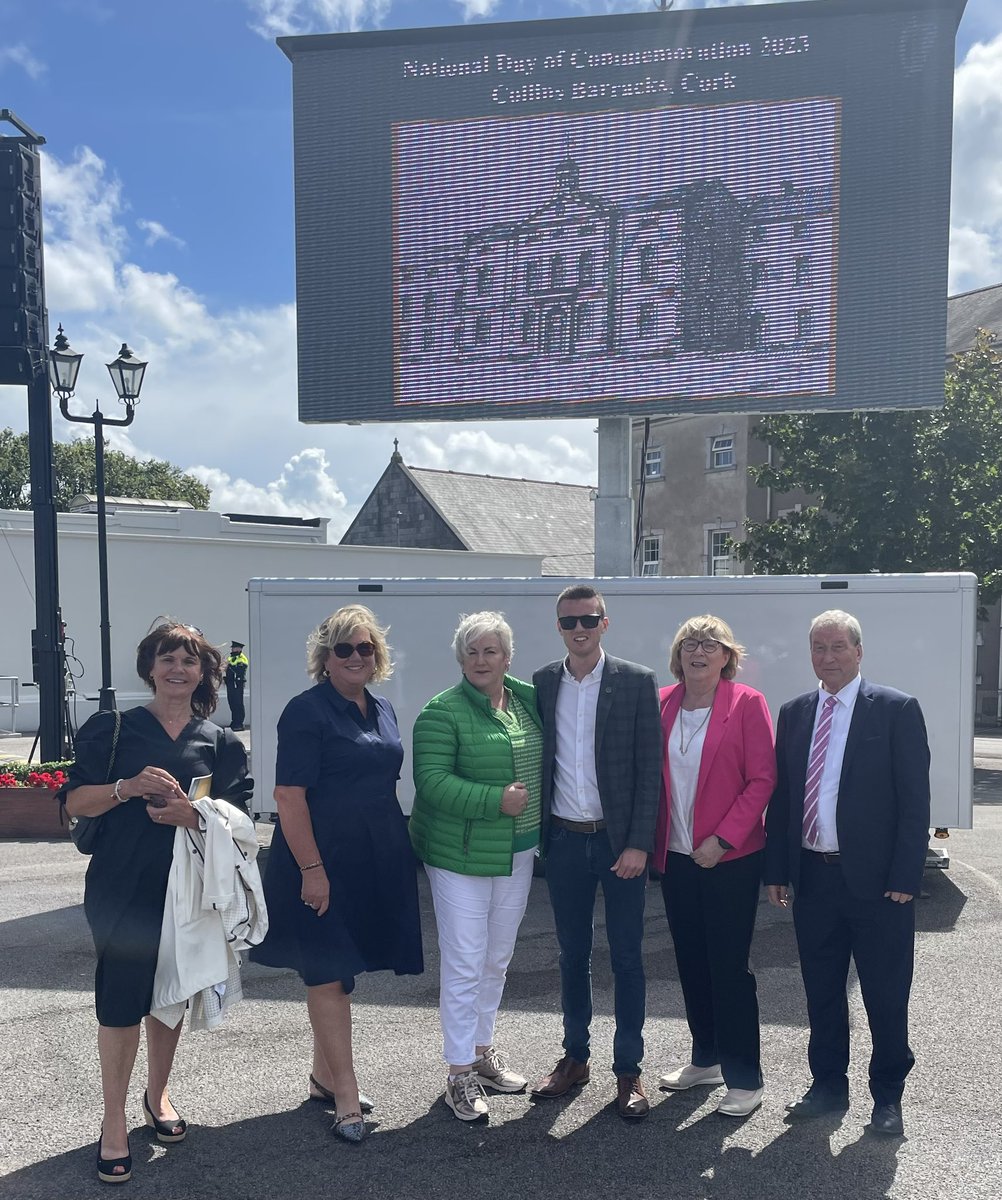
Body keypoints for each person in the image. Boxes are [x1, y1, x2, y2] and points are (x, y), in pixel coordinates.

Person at [61, 621, 253, 1185]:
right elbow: (76, 800)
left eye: (189, 662)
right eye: (167, 659)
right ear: (150, 667)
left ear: (203, 673)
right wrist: (128, 787)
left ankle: (158, 1093)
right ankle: (114, 1118)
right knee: (120, 998)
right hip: (121, 887)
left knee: (169, 994)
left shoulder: (219, 742)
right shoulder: (111, 728)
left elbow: (240, 822)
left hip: (190, 892)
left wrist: (194, 816)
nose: (177, 669)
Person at [250, 605, 423, 1143]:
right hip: (319, 858)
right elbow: (287, 797)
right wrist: (312, 869)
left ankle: (325, 1078)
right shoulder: (306, 711)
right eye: (343, 648)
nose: (355, 656)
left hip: (373, 857)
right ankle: (346, 1097)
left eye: (365, 647)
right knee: (327, 971)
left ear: (378, 656)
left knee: (343, 969)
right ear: (325, 658)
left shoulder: (384, 708)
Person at [764, 609, 930, 1137]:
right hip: (814, 879)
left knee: (884, 993)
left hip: (880, 885)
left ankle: (888, 1097)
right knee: (821, 990)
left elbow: (914, 801)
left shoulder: (896, 709)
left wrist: (907, 874)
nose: (828, 657)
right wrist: (778, 870)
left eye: (838, 647)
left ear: (859, 651)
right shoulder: (794, 712)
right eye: (819, 648)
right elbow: (785, 798)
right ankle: (828, 1086)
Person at [530, 585, 661, 1120]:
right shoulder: (541, 683)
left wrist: (637, 843)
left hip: (618, 842)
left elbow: (650, 772)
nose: (579, 629)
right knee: (571, 955)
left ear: (605, 623)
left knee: (628, 957)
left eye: (588, 619)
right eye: (569, 621)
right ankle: (575, 1058)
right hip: (563, 839)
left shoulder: (634, 681)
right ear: (558, 626)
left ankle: (628, 1070)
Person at [411, 611, 542, 1122]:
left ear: (508, 657)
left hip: (519, 850)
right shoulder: (440, 712)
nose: (481, 660)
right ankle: (458, 1073)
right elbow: (431, 781)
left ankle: (482, 1051)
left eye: (491, 650)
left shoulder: (529, 700)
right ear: (460, 658)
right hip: (461, 855)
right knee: (465, 962)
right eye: (472, 651)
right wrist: (494, 800)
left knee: (497, 957)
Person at [655, 615, 776, 1117]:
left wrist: (723, 840)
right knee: (690, 961)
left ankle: (745, 1075)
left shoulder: (747, 704)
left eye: (711, 644)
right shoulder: (661, 703)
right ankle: (705, 1058)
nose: (698, 651)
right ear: (678, 655)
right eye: (689, 643)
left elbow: (762, 780)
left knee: (728, 967)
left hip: (729, 859)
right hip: (677, 858)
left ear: (727, 656)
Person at [225, 641, 249, 731]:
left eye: (234, 648)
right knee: (232, 703)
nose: (232, 649)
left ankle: (239, 723)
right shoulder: (231, 657)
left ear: (239, 648)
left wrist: (230, 667)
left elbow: (240, 669)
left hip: (237, 684)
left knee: (238, 703)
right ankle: (234, 721)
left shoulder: (242, 658)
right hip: (231, 683)